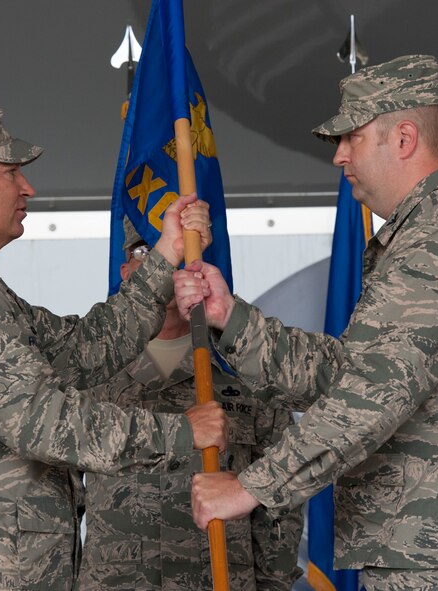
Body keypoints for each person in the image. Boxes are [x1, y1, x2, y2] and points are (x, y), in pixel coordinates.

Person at [174, 55, 438, 591]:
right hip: (430, 546)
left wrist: (250, 488)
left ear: (404, 138)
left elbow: (372, 393)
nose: (339, 157)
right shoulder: (434, 228)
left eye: (352, 137)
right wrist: (230, 319)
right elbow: (353, 375)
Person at [0, 106, 228, 591]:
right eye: (10, 172)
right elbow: (43, 422)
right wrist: (180, 432)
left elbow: (85, 348)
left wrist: (165, 253)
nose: (26, 187)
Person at [77, 217, 302, 590]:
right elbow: (63, 498)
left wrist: (271, 584)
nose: (162, 266)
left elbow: (280, 504)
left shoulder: (247, 373)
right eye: (145, 251)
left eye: (182, 251)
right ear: (125, 270)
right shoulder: (90, 375)